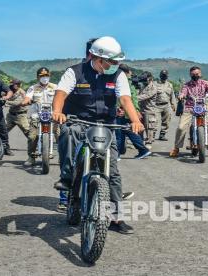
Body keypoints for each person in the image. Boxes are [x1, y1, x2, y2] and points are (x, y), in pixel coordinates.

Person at [52, 36, 144, 234]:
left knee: (113, 171)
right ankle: (67, 177)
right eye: (111, 61)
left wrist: (135, 120)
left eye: (117, 61)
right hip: (78, 121)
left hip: (105, 124)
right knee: (68, 132)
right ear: (96, 57)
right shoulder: (74, 72)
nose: (115, 65)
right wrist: (58, 112)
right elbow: (60, 93)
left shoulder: (118, 75)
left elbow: (126, 99)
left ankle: (116, 218)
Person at [169, 66, 208, 158]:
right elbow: (183, 92)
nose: (195, 75)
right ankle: (176, 148)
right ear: (190, 75)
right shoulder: (186, 85)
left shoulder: (205, 83)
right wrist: (181, 96)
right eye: (193, 74)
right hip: (189, 108)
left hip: (202, 108)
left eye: (197, 74)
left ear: (200, 74)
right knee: (181, 128)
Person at [20, 67, 59, 166]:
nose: (45, 78)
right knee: (32, 136)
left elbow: (62, 98)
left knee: (60, 135)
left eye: (46, 75)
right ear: (38, 77)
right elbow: (27, 97)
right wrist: (25, 102)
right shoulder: (33, 88)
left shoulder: (56, 87)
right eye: (42, 76)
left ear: (49, 76)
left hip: (52, 114)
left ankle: (63, 157)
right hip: (37, 115)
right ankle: (31, 157)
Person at [116, 64, 152, 159]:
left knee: (120, 132)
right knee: (126, 131)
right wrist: (136, 110)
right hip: (128, 111)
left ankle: (119, 154)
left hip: (123, 111)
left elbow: (127, 98)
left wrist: (134, 110)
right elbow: (134, 98)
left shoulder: (123, 82)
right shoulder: (130, 83)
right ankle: (142, 150)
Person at [6, 79, 31, 152]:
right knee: (3, 130)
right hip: (11, 115)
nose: (15, 85)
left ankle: (37, 145)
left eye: (16, 84)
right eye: (13, 84)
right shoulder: (9, 90)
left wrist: (6, 101)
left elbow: (18, 103)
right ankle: (1, 145)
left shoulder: (21, 92)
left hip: (21, 115)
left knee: (28, 132)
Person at [137, 71, 158, 149]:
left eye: (145, 79)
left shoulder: (153, 87)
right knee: (140, 126)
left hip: (149, 110)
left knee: (149, 127)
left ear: (150, 78)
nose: (144, 81)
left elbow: (145, 96)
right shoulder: (143, 86)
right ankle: (140, 141)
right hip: (141, 109)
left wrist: (134, 98)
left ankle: (149, 142)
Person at [154, 69, 176, 141]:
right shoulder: (154, 84)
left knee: (166, 121)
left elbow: (172, 96)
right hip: (156, 105)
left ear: (167, 76)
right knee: (154, 121)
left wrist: (173, 105)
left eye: (165, 75)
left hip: (167, 105)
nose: (164, 77)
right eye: (163, 75)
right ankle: (152, 135)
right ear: (160, 76)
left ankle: (162, 135)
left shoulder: (170, 85)